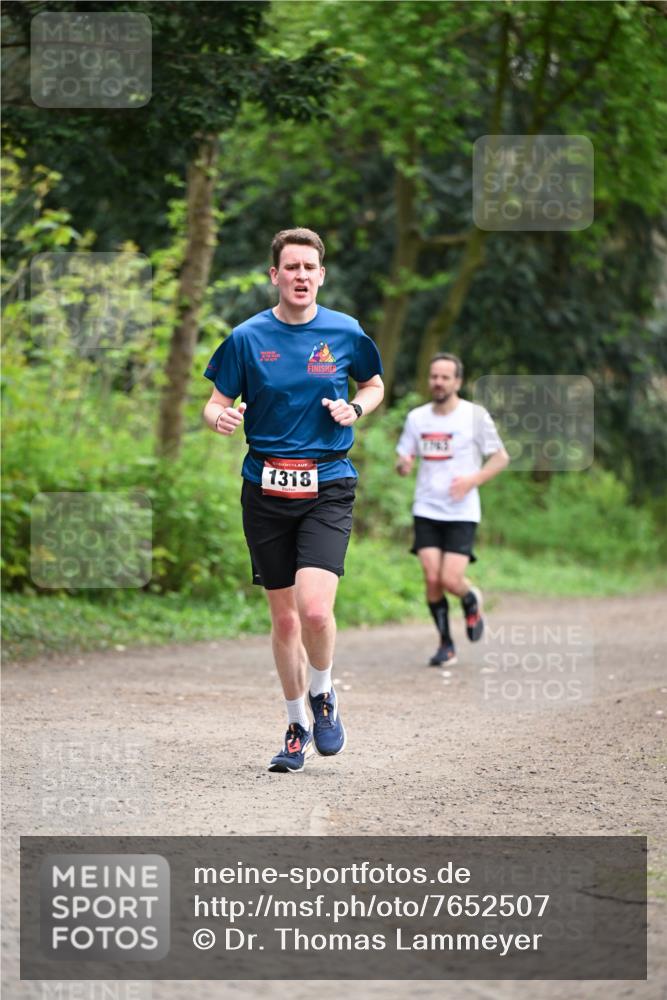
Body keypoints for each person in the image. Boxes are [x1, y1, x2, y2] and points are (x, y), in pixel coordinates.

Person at [203, 228, 384, 772]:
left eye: (310, 267)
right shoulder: (246, 338)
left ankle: (323, 695)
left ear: (321, 276)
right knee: (284, 622)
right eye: (292, 267)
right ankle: (295, 725)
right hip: (265, 486)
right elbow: (214, 403)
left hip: (328, 484)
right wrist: (223, 418)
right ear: (274, 275)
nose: (301, 275)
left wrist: (357, 407)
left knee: (314, 609)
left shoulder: (346, 332)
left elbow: (374, 384)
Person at [396, 353, 509, 667]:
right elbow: (404, 457)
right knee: (432, 578)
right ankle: (446, 644)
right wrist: (403, 465)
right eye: (434, 376)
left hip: (462, 510)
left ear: (457, 382)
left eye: (445, 377)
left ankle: (470, 597)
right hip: (427, 507)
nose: (438, 382)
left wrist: (473, 479)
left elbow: (500, 457)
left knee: (450, 580)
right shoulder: (418, 418)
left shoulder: (474, 416)